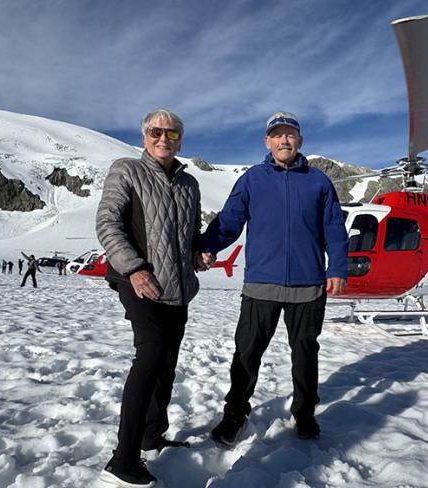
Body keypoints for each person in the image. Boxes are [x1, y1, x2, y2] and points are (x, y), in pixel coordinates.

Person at [201, 112, 348, 446]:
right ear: (267, 142)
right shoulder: (253, 179)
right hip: (261, 286)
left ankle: (305, 413)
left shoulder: (319, 181)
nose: (284, 140)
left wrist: (337, 267)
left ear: (299, 140)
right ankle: (235, 413)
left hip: (308, 287)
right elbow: (229, 221)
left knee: (305, 354)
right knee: (247, 353)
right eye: (277, 135)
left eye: (290, 135)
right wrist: (207, 246)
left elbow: (335, 230)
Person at [95, 108, 203, 488]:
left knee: (167, 362)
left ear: (180, 140)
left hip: (177, 287)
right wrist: (135, 268)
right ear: (144, 136)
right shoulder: (126, 169)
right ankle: (123, 460)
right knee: (151, 353)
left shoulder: (190, 184)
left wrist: (198, 251)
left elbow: (191, 231)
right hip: (137, 279)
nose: (163, 138)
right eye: (156, 132)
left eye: (171, 133)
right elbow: (107, 223)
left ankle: (152, 434)